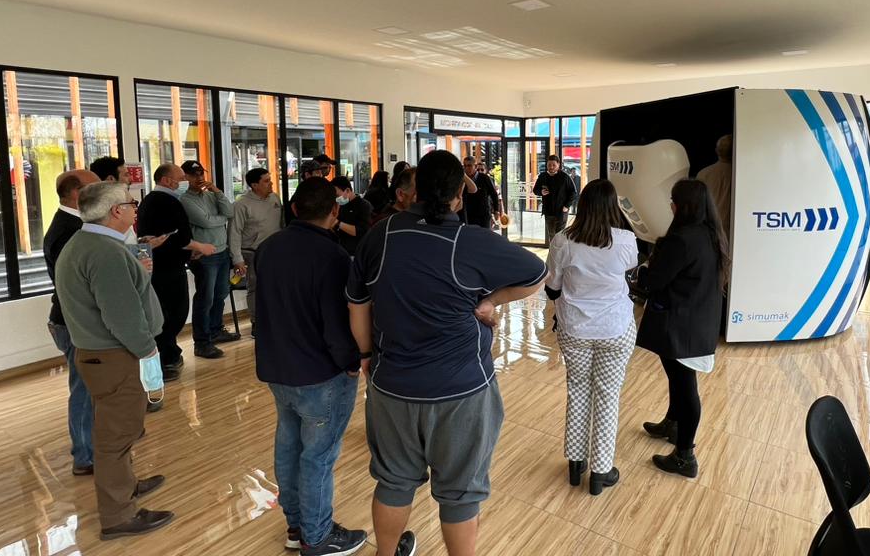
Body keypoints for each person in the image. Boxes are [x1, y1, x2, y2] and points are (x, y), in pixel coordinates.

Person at [347, 150, 546, 556]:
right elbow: (537, 273)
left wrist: (366, 356)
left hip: (392, 387)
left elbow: (358, 304)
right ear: (458, 196)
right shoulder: (470, 241)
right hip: (462, 391)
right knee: (460, 494)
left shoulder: (381, 235)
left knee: (393, 482)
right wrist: (490, 302)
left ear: (414, 190)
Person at [55, 182, 172, 540]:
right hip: (115, 355)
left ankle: (126, 484)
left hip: (102, 355)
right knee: (115, 437)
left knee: (118, 428)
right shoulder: (104, 252)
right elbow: (122, 317)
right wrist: (148, 351)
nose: (136, 208)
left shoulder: (87, 244)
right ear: (116, 211)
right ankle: (118, 515)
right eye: (131, 203)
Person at [255, 178, 367, 555]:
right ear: (334, 211)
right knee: (318, 456)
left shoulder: (268, 248)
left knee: (288, 447)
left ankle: (296, 525)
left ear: (294, 209)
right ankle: (317, 537)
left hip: (278, 367)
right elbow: (336, 323)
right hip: (320, 374)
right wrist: (351, 362)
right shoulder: (333, 257)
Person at [545, 179, 638, 495]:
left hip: (574, 329)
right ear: (613, 206)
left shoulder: (563, 240)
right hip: (615, 328)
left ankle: (576, 464)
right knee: (608, 395)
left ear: (582, 205)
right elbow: (630, 268)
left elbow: (552, 287)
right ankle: (600, 472)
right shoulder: (625, 240)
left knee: (578, 390)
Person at [638, 179, 728, 479]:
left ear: (683, 205)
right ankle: (673, 424)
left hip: (682, 325)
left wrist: (643, 271)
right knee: (678, 379)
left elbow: (655, 281)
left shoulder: (682, 240)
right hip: (698, 321)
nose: (671, 206)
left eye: (673, 200)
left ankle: (685, 455)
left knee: (685, 384)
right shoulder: (711, 234)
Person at [44, 168, 102, 476]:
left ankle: (96, 446)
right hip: (73, 322)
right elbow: (80, 282)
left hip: (77, 319)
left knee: (91, 386)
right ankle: (85, 455)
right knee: (84, 388)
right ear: (77, 194)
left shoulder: (77, 225)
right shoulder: (68, 231)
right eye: (96, 188)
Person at [136, 164, 218, 380]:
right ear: (166, 180)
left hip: (167, 264)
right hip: (165, 268)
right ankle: (162, 360)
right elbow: (174, 236)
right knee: (173, 313)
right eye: (181, 178)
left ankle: (170, 354)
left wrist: (189, 251)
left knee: (170, 313)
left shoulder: (157, 200)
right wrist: (199, 246)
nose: (185, 181)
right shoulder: (163, 201)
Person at [179, 160, 240, 355]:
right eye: (193, 174)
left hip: (222, 251)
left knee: (221, 294)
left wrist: (217, 191)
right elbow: (205, 222)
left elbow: (230, 212)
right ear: (185, 177)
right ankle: (202, 342)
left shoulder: (210, 195)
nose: (199, 178)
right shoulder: (185, 200)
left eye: (201, 173)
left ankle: (216, 331)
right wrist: (221, 218)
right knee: (205, 298)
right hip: (204, 256)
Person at [230, 167, 283, 337]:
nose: (271, 183)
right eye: (266, 181)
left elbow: (281, 224)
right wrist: (237, 259)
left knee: (277, 286)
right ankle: (257, 323)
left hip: (275, 251)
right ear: (254, 185)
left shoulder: (275, 198)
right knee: (256, 288)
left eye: (270, 179)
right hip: (252, 252)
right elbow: (234, 232)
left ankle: (276, 320)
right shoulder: (241, 204)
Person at [695, 135, 733, 243]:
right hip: (732, 228)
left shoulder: (704, 173)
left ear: (717, 150)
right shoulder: (741, 174)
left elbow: (697, 204)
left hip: (708, 228)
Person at [533, 155, 576, 246]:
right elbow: (535, 190)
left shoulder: (565, 177)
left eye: (554, 165)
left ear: (558, 165)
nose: (551, 167)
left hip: (561, 211)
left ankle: (560, 253)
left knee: (560, 235)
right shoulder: (543, 176)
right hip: (548, 211)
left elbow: (573, 193)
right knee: (551, 235)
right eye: (549, 165)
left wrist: (566, 206)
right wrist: (541, 192)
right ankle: (552, 252)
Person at [329, 176, 372, 255]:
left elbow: (362, 231)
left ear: (347, 190)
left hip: (356, 252)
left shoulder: (364, 205)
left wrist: (338, 223)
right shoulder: (340, 205)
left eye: (337, 195)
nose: (336, 199)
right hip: (339, 250)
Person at [459, 156, 500, 229]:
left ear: (475, 166)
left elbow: (493, 194)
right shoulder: (462, 180)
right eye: (464, 166)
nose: (466, 168)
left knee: (484, 234)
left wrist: (496, 210)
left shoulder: (484, 178)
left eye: (469, 165)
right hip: (468, 215)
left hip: (483, 215)